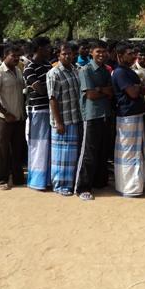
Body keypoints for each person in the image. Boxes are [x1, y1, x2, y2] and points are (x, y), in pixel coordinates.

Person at [74, 40, 113, 201]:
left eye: (103, 51)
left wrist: (100, 90)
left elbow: (110, 92)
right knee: (88, 153)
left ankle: (99, 182)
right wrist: (102, 90)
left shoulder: (105, 70)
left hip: (104, 114)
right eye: (98, 51)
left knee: (102, 151)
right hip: (91, 116)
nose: (101, 54)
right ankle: (82, 187)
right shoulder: (86, 70)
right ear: (91, 52)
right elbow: (91, 95)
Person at [112, 42, 145, 196]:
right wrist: (138, 88)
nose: (133, 56)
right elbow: (133, 93)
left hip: (135, 114)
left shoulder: (128, 71)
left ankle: (135, 185)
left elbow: (143, 89)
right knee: (127, 152)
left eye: (134, 53)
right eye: (129, 54)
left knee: (136, 152)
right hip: (127, 116)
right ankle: (127, 187)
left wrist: (137, 88)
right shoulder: (120, 72)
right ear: (120, 56)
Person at [0, 45, 26, 190]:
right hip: (4, 118)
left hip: (18, 116)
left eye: (18, 56)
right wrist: (5, 113)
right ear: (5, 56)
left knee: (17, 148)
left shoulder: (18, 71)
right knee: (2, 149)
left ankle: (17, 178)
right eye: (13, 56)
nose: (16, 59)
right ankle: (1, 180)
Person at [46, 44, 82, 196]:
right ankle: (60, 185)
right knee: (61, 156)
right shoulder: (54, 73)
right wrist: (58, 122)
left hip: (75, 118)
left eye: (70, 53)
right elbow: (52, 99)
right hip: (62, 120)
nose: (67, 56)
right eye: (64, 54)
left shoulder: (75, 70)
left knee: (71, 156)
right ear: (59, 55)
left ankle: (70, 183)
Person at [23, 36, 53, 190]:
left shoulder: (48, 65)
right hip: (38, 110)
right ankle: (37, 181)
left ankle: (47, 180)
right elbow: (40, 89)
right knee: (38, 145)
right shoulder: (29, 67)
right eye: (47, 47)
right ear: (40, 48)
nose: (50, 50)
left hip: (50, 109)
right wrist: (54, 90)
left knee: (49, 146)